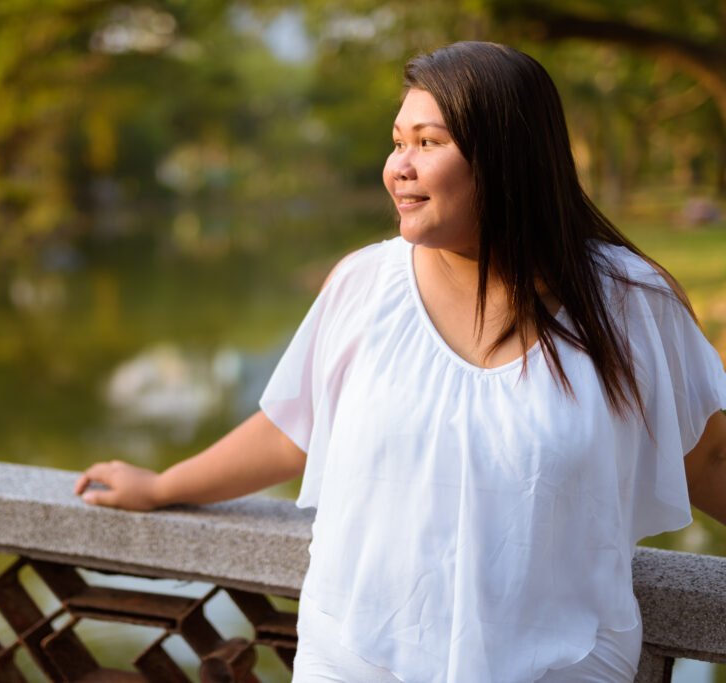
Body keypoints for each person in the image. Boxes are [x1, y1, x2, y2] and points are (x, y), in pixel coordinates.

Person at [74, 41, 726, 683]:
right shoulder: (363, 286)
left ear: (507, 157)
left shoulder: (630, 304)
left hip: (563, 665)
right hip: (356, 659)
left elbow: (708, 457)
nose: (398, 167)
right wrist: (163, 487)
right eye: (397, 141)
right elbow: (290, 429)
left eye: (427, 142)